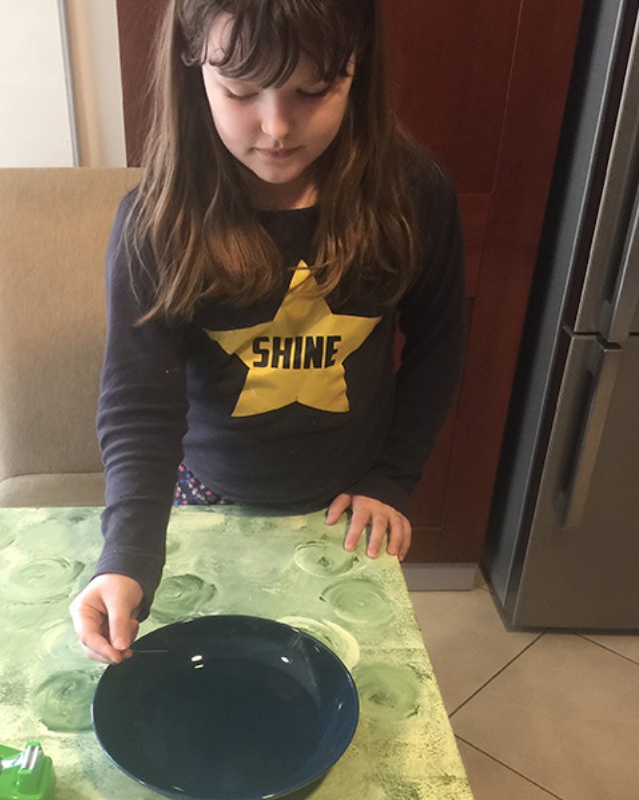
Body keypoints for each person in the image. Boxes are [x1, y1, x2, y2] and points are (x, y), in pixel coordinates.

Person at [70, 0, 466, 665]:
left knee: (339, 673)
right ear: (194, 69)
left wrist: (392, 478)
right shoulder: (154, 221)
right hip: (204, 493)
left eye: (314, 90)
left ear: (358, 68)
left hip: (348, 502)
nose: (277, 127)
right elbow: (138, 401)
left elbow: (439, 347)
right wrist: (128, 554)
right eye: (240, 91)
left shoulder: (416, 194)